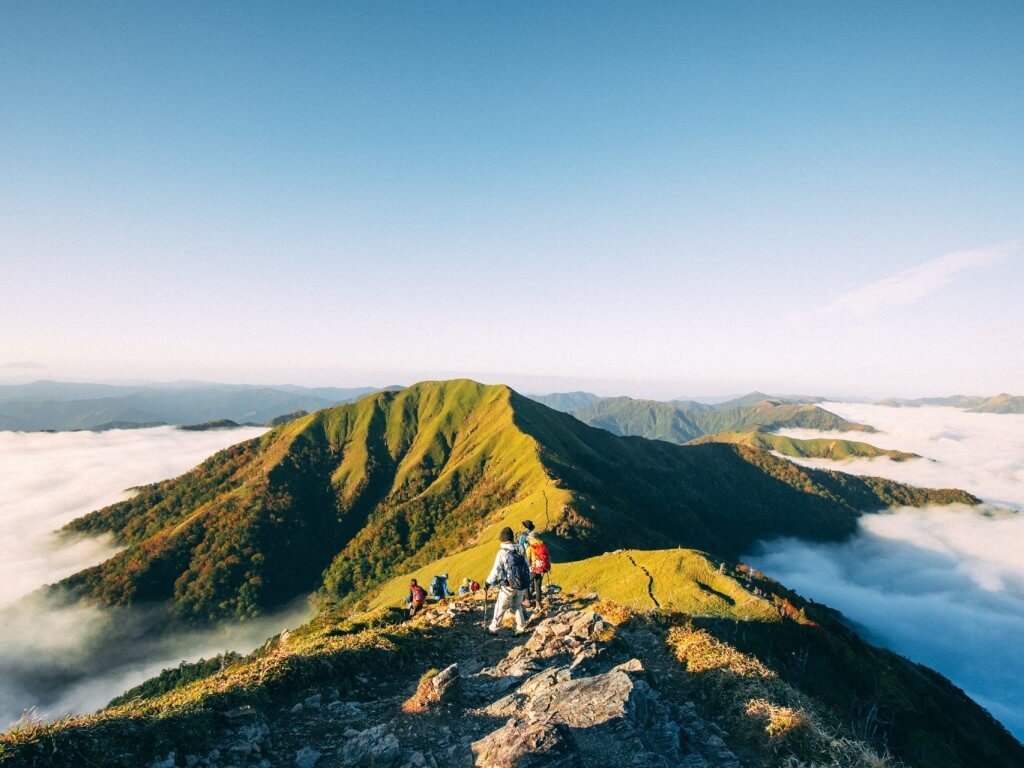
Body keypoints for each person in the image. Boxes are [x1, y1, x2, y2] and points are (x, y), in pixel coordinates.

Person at [485, 526, 530, 634]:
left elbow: (496, 570)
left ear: (502, 539)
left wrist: (488, 582)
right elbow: (527, 564)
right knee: (517, 605)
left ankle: (493, 628)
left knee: (500, 606)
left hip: (508, 585)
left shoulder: (502, 553)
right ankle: (521, 627)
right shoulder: (520, 548)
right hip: (522, 584)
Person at [526, 531, 551, 610]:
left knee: (526, 583)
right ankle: (538, 603)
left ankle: (527, 601)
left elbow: (527, 560)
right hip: (542, 569)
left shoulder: (530, 548)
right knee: (538, 586)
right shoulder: (543, 545)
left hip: (533, 569)